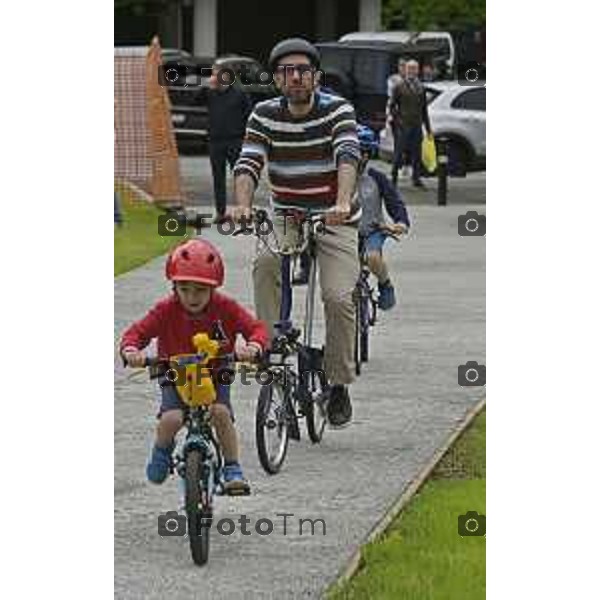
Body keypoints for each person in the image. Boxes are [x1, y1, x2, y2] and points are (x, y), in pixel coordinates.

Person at [232, 37, 361, 428]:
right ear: (277, 79)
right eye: (287, 72)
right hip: (287, 213)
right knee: (266, 263)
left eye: (303, 70)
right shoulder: (263, 113)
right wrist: (241, 204)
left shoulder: (338, 109)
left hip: (334, 215)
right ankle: (268, 350)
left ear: (316, 76)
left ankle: (337, 383)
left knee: (338, 297)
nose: (296, 78)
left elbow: (347, 153)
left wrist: (341, 202)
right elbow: (249, 161)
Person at [120, 239, 269, 494]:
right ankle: (162, 451)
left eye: (200, 290)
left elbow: (256, 328)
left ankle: (232, 468)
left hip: (215, 371)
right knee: (171, 418)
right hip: (174, 372)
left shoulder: (225, 308)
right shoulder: (165, 310)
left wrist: (254, 346)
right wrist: (131, 350)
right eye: (184, 289)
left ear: (213, 288)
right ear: (174, 286)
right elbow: (137, 332)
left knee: (220, 413)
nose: (192, 297)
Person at [355, 125, 410, 310]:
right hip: (344, 232)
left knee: (372, 257)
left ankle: (385, 284)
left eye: (363, 152)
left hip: (373, 230)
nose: (359, 157)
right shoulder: (333, 178)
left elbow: (394, 202)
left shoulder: (376, 177)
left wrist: (400, 222)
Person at [207, 60, 252, 224]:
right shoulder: (210, 93)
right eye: (212, 73)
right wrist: (206, 87)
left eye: (216, 72)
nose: (213, 76)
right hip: (215, 141)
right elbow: (193, 100)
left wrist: (248, 138)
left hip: (235, 141)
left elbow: (249, 116)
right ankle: (220, 213)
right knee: (218, 178)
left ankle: (244, 211)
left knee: (241, 176)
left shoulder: (239, 94)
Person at [389, 59, 433, 188]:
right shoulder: (399, 86)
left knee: (416, 153)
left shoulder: (421, 87)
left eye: (414, 69)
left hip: (416, 124)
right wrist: (397, 120)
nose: (412, 71)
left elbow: (424, 109)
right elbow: (392, 106)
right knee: (399, 153)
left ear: (418, 71)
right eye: (410, 69)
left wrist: (428, 128)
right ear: (406, 70)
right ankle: (394, 178)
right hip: (403, 125)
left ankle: (416, 178)